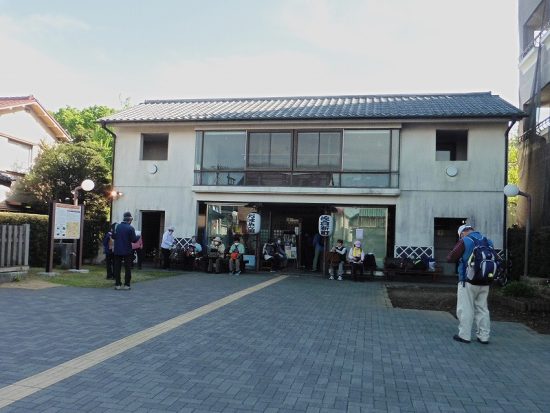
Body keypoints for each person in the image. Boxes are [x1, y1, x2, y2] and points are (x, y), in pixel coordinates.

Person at [446, 224, 492, 344]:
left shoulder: (465, 241)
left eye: (460, 236)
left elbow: (450, 257)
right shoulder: (487, 241)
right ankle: (484, 337)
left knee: (466, 308)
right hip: (485, 280)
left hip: (467, 281)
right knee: (483, 309)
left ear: (462, 233)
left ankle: (464, 336)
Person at [112, 212, 140, 290]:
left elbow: (113, 236)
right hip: (127, 251)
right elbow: (134, 240)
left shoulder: (117, 226)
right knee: (127, 268)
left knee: (117, 268)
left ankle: (117, 285)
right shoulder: (130, 228)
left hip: (117, 250)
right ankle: (127, 285)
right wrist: (138, 236)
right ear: (130, 220)